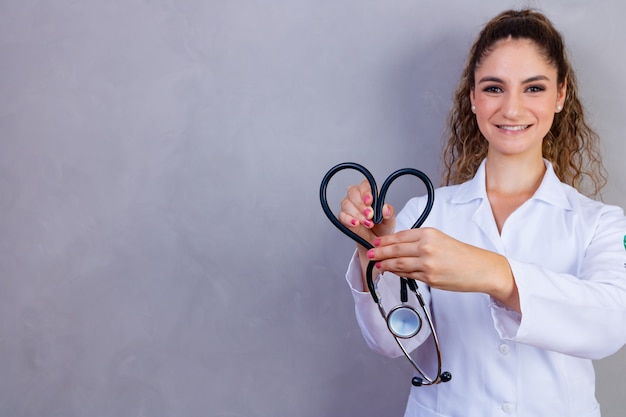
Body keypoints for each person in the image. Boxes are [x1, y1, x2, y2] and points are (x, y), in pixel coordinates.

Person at [338, 9, 626, 417]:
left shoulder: (601, 224)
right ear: (472, 97)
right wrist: (375, 256)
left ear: (560, 96)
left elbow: (611, 323)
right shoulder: (426, 214)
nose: (511, 109)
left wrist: (491, 273)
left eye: (533, 88)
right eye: (494, 88)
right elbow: (393, 340)